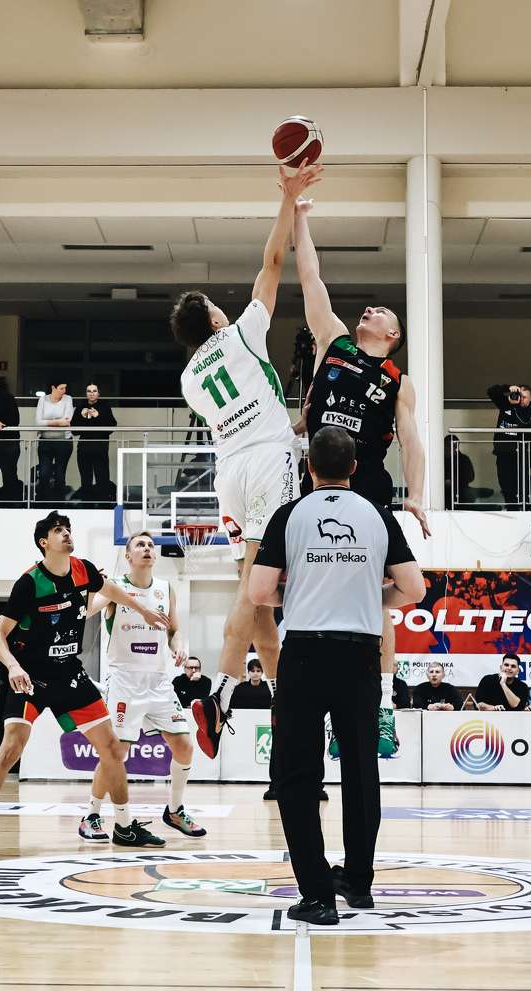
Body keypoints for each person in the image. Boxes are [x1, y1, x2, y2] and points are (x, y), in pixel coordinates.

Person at [171, 158, 322, 759]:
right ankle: (219, 694)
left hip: (229, 475)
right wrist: (288, 199)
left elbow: (244, 410)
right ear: (215, 318)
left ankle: (282, 699)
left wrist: (291, 423)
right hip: (266, 465)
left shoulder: (189, 380)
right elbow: (273, 263)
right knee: (258, 588)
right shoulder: (240, 333)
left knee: (254, 589)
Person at [248, 426, 425, 925]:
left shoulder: (289, 515)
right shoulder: (378, 514)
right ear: (353, 468)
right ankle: (359, 884)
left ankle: (317, 895)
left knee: (297, 776)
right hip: (360, 656)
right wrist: (371, 596)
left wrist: (301, 593)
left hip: (304, 655)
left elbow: (259, 592)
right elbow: (414, 589)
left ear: (309, 467)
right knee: (361, 771)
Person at [292, 195, 430, 758]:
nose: (368, 310)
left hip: (368, 483)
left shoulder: (398, 379)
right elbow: (310, 275)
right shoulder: (334, 340)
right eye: (369, 308)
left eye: (380, 312)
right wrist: (299, 214)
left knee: (375, 597)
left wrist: (416, 494)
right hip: (316, 478)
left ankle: (383, 709)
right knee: (306, 588)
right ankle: (319, 708)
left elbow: (412, 439)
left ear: (392, 335)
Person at [0, 511, 171, 857]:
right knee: (11, 748)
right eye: (58, 530)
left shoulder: (83, 570)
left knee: (112, 748)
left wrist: (143, 610)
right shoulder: (29, 583)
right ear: (44, 542)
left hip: (70, 675)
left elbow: (112, 590)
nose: (66, 534)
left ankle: (124, 826)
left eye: (68, 529)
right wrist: (13, 666)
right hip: (31, 677)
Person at [85, 530, 206, 839]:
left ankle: (174, 810)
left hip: (158, 680)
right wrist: (91, 586)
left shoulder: (166, 588)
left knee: (184, 746)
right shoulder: (115, 587)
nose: (148, 548)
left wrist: (179, 647)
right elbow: (86, 611)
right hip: (124, 679)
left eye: (151, 545)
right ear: (128, 556)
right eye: (140, 544)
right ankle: (91, 815)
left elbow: (174, 630)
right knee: (116, 752)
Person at [488, 382, 531, 509]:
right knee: (505, 483)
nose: (521, 399)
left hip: (520, 454)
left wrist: (514, 407)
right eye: (519, 396)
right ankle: (513, 508)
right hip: (502, 453)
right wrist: (508, 388)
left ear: (530, 398)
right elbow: (491, 391)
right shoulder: (506, 404)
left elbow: (523, 424)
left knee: (520, 482)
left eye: (524, 397)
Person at [71, 383, 117, 500]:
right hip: (84, 449)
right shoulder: (80, 408)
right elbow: (74, 431)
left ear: (98, 393)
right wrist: (82, 417)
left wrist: (98, 416)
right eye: (89, 391)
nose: (92, 394)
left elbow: (111, 428)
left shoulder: (105, 407)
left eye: (94, 391)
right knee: (85, 480)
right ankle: (87, 506)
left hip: (100, 449)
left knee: (102, 480)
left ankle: (103, 506)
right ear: (86, 393)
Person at [36, 381, 74, 501]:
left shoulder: (67, 399)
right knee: (44, 473)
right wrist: (58, 422)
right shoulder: (43, 400)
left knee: (60, 474)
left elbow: (67, 421)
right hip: (46, 441)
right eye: (61, 388)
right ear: (53, 388)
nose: (64, 391)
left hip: (63, 441)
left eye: (65, 388)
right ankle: (44, 504)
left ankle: (60, 503)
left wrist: (47, 423)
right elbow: (38, 422)